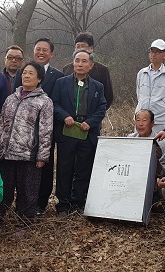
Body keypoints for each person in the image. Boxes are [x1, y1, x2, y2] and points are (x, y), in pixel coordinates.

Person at [0, 61, 53, 219]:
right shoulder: (11, 99)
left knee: (28, 192)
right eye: (24, 72)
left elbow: (46, 131)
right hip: (7, 154)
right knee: (4, 189)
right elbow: (0, 126)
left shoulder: (44, 102)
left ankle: (24, 222)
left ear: (39, 79)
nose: (26, 75)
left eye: (31, 73)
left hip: (28, 156)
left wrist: (42, 157)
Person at [52, 49, 107, 217]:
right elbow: (54, 103)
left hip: (86, 132)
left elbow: (102, 108)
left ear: (91, 65)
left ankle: (78, 202)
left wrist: (89, 123)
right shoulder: (61, 83)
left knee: (83, 168)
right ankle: (63, 204)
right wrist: (65, 116)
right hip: (67, 131)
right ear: (73, 63)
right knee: (64, 168)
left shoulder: (98, 86)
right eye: (77, 61)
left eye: (84, 61)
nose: (80, 64)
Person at [14, 38, 64, 216]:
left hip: (46, 130)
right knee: (23, 168)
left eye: (45, 50)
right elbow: (16, 96)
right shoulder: (23, 72)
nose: (41, 53)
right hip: (23, 131)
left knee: (44, 165)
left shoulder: (59, 76)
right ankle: (24, 203)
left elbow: (59, 102)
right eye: (38, 49)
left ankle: (40, 204)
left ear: (51, 54)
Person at [62, 32, 114, 109]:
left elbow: (108, 96)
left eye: (83, 46)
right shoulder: (67, 69)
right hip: (69, 117)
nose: (80, 49)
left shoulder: (102, 70)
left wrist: (97, 115)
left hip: (93, 116)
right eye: (77, 47)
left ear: (91, 48)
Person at [135, 39, 165, 134]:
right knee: (140, 147)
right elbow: (138, 94)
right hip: (142, 119)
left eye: (157, 52)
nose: (154, 54)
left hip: (160, 120)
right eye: (152, 51)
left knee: (160, 147)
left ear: (164, 54)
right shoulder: (142, 73)